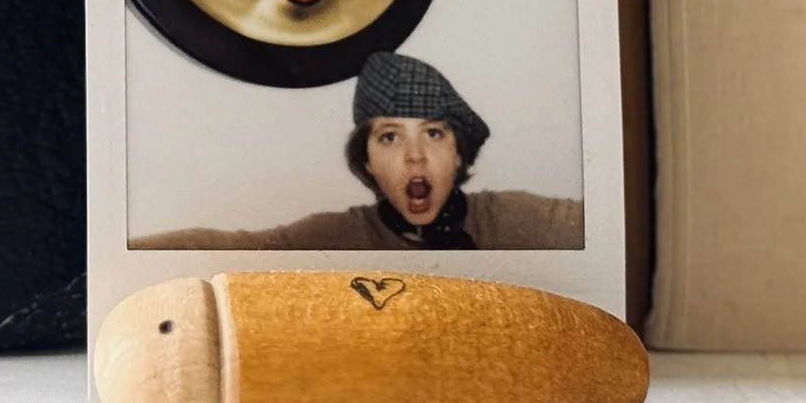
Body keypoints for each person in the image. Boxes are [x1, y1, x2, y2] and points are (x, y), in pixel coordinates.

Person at [134, 51, 584, 251]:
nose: (414, 157)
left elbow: (605, 231)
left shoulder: (514, 221)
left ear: (460, 154)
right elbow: (234, 248)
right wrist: (108, 259)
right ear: (367, 160)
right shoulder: (341, 236)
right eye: (390, 136)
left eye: (433, 134)